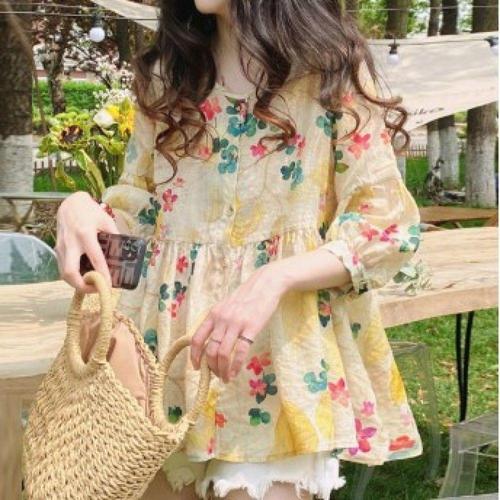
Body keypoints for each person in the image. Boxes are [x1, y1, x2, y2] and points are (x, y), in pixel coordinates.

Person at [55, 1, 424, 499]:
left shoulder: (331, 72)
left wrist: (274, 278)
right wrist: (80, 209)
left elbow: (386, 229)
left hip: (279, 361)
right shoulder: (169, 75)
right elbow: (140, 221)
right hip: (163, 364)